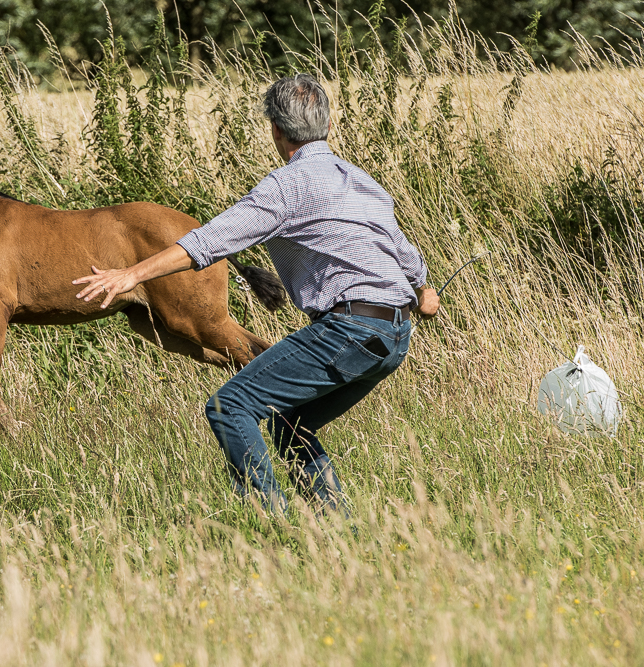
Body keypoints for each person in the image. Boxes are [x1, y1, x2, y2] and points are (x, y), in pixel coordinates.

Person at [74, 74, 439, 514]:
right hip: (395, 333)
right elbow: (403, 251)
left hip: (349, 327)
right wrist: (424, 290)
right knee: (292, 423)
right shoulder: (363, 182)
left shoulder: (286, 187)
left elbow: (208, 242)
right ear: (328, 126)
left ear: (277, 131)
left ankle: (274, 520)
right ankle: (337, 527)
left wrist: (131, 274)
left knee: (230, 407)